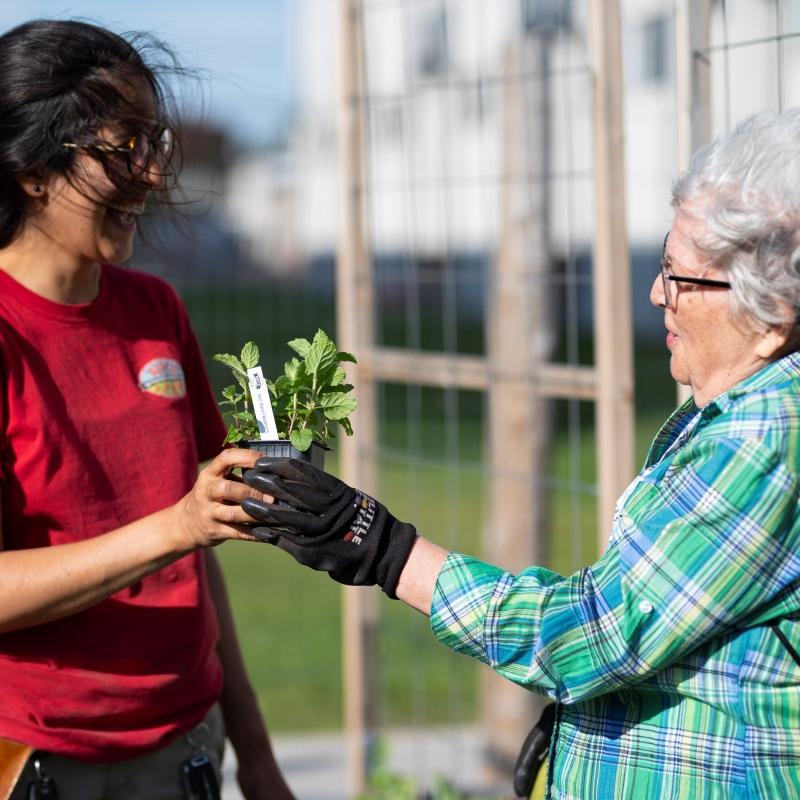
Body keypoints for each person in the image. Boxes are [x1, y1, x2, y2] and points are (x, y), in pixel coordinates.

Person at [242, 108, 800, 799]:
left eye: (682, 279)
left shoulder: (766, 441)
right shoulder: (744, 415)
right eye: (662, 264)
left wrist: (383, 550)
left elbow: (598, 631)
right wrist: (583, 723)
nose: (658, 293)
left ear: (772, 317)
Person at [0, 19, 293, 800]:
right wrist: (179, 524)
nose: (153, 173)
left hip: (189, 752)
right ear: (33, 170)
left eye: (154, 142)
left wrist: (257, 760)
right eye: (123, 148)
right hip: (38, 764)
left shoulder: (155, 310)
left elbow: (191, 559)